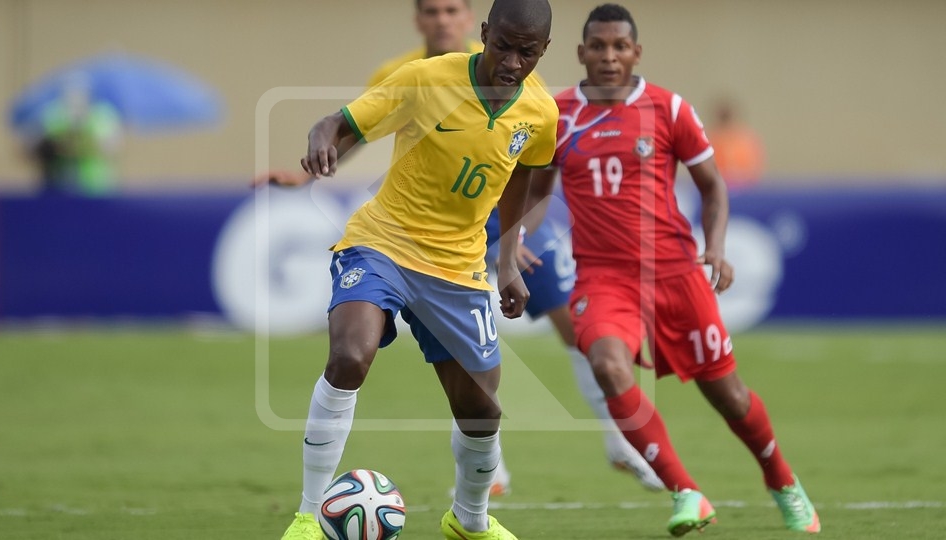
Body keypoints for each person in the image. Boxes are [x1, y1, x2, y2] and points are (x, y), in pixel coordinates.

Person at [258, 0, 663, 494]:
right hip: (414, 223)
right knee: (401, 367)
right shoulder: (411, 74)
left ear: (470, 20)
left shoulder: (530, 96)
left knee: (573, 330)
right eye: (432, 11)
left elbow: (527, 174)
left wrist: (513, 247)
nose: (442, 19)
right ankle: (493, 474)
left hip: (496, 223)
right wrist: (307, 174)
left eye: (451, 10)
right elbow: (355, 128)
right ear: (423, 21)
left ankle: (619, 442)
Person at [527, 4, 820, 536]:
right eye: (599, 46)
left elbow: (712, 186)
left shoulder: (669, 109)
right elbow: (535, 193)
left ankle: (782, 480)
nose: (609, 56)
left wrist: (716, 248)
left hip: (675, 273)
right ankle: (686, 491)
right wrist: (515, 244)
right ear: (581, 52)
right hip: (603, 278)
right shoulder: (557, 115)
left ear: (636, 52)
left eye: (620, 46)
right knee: (607, 365)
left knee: (728, 395)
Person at [277, 1, 556, 539]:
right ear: (484, 33)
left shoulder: (540, 113)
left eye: (527, 52)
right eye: (502, 46)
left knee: (482, 410)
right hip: (382, 243)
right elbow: (339, 122)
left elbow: (522, 175)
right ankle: (308, 516)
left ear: (543, 50)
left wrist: (506, 263)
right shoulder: (426, 79)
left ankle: (469, 521)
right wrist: (320, 139)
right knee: (349, 357)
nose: (512, 62)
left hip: (457, 266)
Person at [708, 95, 766, 190]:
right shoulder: (712, 139)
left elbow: (754, 168)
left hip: (745, 188)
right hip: (719, 187)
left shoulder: (745, 140)